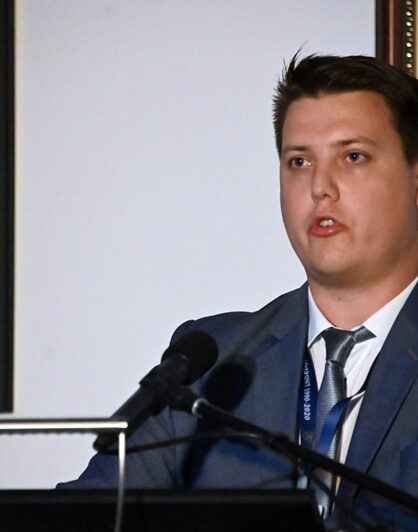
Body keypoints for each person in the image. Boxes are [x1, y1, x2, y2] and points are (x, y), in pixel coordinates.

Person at [60, 53, 418, 529]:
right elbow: (82, 516)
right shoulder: (214, 365)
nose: (320, 187)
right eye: (298, 161)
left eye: (352, 157)